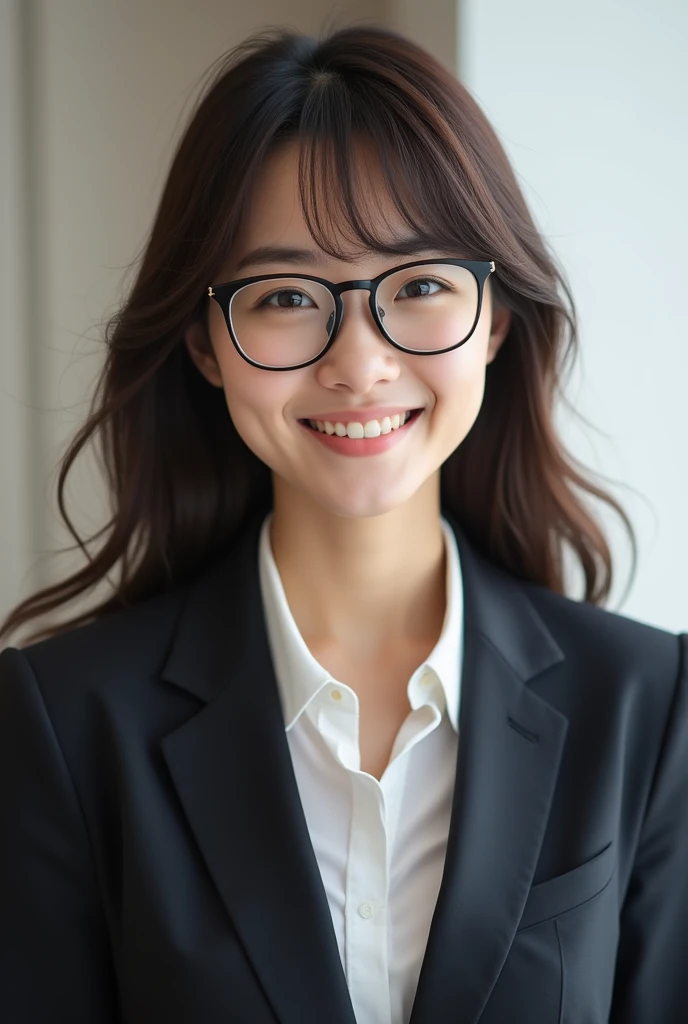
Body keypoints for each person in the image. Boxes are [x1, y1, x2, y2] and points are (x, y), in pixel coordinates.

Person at [0, 22, 686, 1024]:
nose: (358, 363)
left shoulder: (648, 708)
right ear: (205, 341)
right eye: (285, 296)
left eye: (416, 287)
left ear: (493, 320)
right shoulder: (63, 723)